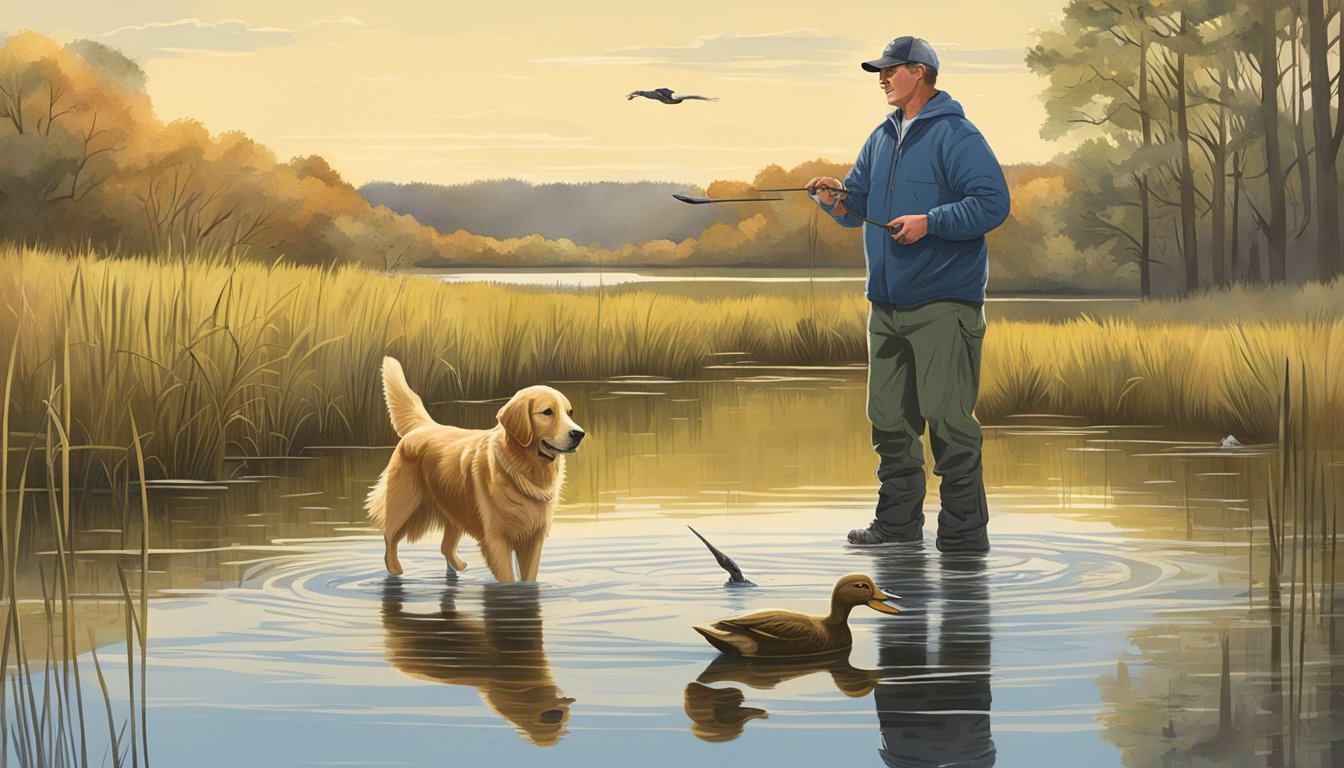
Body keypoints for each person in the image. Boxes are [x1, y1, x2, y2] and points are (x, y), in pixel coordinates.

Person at [806, 36, 1009, 552]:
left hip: (944, 303)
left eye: (890, 70)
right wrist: (835, 199)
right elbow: (855, 207)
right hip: (887, 307)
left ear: (919, 72)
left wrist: (931, 222)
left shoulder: (958, 136)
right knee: (888, 420)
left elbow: (992, 203)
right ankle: (897, 527)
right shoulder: (880, 136)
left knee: (948, 421)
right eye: (880, 70)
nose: (881, 77)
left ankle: (964, 537)